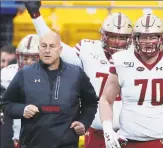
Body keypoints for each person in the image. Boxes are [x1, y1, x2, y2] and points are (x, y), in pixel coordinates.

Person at [23, 1, 133, 148]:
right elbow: (55, 46)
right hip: (96, 131)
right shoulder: (88, 49)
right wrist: (36, 15)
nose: (117, 42)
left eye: (122, 38)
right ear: (103, 35)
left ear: (131, 38)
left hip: (131, 133)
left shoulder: (137, 56)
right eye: (113, 36)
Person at [99, 14, 163, 148]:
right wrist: (107, 128)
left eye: (153, 37)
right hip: (129, 140)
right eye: (143, 37)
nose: (148, 41)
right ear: (135, 38)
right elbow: (106, 99)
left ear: (162, 38)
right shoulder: (121, 60)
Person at [1, 31, 98, 148]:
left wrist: (84, 122)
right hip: (32, 143)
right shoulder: (24, 74)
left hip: (67, 144)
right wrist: (22, 109)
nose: (47, 50)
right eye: (44, 46)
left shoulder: (76, 74)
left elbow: (91, 103)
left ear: (60, 49)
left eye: (52, 46)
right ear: (39, 49)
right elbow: (6, 104)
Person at [1, 34, 40, 148]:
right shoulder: (7, 74)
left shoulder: (53, 77)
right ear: (18, 57)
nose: (28, 62)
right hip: (14, 134)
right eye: (25, 57)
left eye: (34, 58)